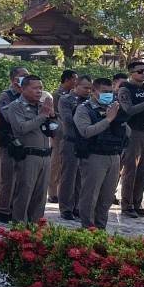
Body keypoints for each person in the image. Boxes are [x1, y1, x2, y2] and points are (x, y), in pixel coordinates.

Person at [74, 77, 130, 230]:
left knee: (107, 197)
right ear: (94, 91)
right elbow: (86, 132)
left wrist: (120, 119)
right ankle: (88, 228)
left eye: (111, 92)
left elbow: (127, 132)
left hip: (114, 155)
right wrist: (108, 119)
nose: (109, 95)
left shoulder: (114, 108)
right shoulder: (84, 109)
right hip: (94, 156)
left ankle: (100, 228)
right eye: (105, 92)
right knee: (90, 195)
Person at [3, 75, 56, 224]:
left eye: (41, 88)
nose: (39, 91)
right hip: (28, 156)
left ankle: (36, 229)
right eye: (35, 88)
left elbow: (57, 131)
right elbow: (21, 128)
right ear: (23, 89)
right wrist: (42, 116)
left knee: (40, 196)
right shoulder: (15, 106)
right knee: (24, 194)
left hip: (45, 156)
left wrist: (52, 116)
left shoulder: (43, 106)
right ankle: (19, 229)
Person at [117, 60, 144, 219]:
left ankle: (137, 204)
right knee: (130, 170)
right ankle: (127, 205)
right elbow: (128, 110)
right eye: (140, 71)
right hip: (133, 132)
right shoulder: (125, 89)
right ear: (131, 73)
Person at [0, 65, 30, 223]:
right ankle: (4, 210)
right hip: (9, 141)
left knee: (24, 179)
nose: (25, 78)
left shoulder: (30, 95)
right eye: (22, 76)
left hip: (25, 141)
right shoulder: (6, 95)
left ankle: (17, 209)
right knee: (9, 178)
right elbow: (10, 117)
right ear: (13, 79)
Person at [57, 74, 93, 220]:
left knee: (82, 177)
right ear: (76, 86)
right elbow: (68, 120)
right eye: (85, 88)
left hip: (86, 142)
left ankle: (77, 206)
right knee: (68, 176)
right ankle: (66, 208)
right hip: (71, 141)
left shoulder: (91, 101)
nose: (88, 91)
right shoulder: (66, 99)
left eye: (90, 88)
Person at [48, 70, 77, 205]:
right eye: (74, 79)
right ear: (67, 79)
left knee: (65, 164)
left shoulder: (74, 95)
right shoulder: (57, 95)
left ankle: (61, 191)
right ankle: (52, 192)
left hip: (70, 134)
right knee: (56, 162)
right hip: (59, 132)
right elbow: (53, 114)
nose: (75, 82)